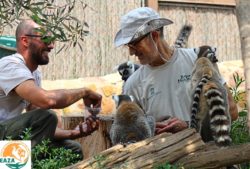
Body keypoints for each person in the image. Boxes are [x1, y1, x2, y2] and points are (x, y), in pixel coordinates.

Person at [114, 7, 238, 134]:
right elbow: (128, 134)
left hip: (206, 151)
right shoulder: (133, 85)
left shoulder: (199, 59)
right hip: (161, 153)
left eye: (135, 44)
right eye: (128, 46)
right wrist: (150, 129)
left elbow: (231, 111)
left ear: (154, 36)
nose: (131, 52)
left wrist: (190, 127)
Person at [0, 19, 102, 160]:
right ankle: (14, 164)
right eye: (46, 39)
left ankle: (19, 162)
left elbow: (41, 127)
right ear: (25, 41)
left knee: (72, 150)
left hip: (8, 138)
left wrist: (73, 133)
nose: (52, 45)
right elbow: (47, 101)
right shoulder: (10, 66)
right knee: (47, 116)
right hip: (2, 138)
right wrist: (84, 92)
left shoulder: (34, 73)